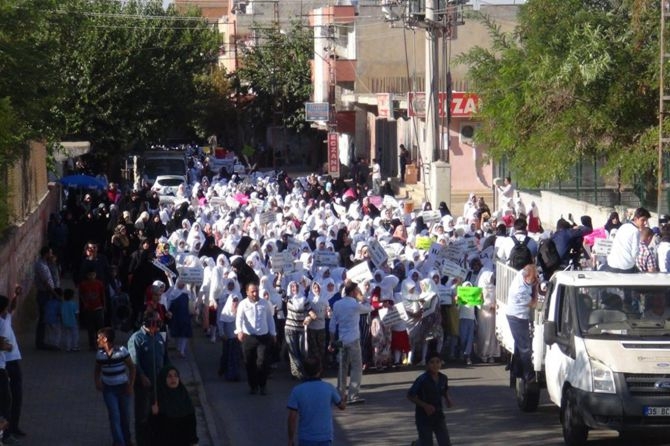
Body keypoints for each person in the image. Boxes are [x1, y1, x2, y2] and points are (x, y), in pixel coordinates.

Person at [328, 279, 371, 404]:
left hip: (341, 340)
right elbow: (370, 308)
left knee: (342, 367)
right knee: (357, 367)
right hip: (353, 339)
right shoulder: (355, 304)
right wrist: (362, 298)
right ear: (353, 292)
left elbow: (332, 325)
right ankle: (353, 395)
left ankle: (340, 394)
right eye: (357, 290)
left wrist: (331, 341)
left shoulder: (337, 304)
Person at [287, 356, 346, 446]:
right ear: (320, 370)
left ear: (304, 371)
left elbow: (292, 418)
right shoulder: (329, 387)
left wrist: (290, 439)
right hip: (325, 437)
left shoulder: (297, 390)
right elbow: (342, 406)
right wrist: (344, 398)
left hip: (306, 438)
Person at [128, 310, 166, 446]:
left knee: (157, 415)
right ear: (147, 322)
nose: (158, 324)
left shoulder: (159, 337)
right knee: (142, 416)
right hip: (144, 385)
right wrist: (142, 376)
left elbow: (165, 358)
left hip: (159, 384)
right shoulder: (136, 338)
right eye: (155, 321)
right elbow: (134, 362)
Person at [95, 327, 136, 446]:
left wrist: (130, 385)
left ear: (105, 339)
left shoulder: (122, 351)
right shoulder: (100, 355)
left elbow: (132, 368)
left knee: (125, 416)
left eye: (99, 338)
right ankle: (119, 442)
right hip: (108, 389)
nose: (97, 340)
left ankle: (127, 440)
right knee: (114, 416)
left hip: (123, 388)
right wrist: (97, 381)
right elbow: (97, 369)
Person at [235, 282, 276, 395]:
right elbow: (239, 319)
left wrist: (273, 333)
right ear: (247, 292)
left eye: (256, 291)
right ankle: (253, 386)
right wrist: (239, 331)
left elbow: (270, 319)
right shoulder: (243, 304)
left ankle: (262, 385)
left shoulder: (264, 303)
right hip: (249, 338)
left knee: (262, 362)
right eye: (252, 291)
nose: (255, 293)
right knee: (249, 363)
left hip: (263, 337)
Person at [407, 351, 454, 446]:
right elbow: (410, 395)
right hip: (423, 417)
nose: (435, 365)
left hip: (438, 415)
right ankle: (417, 444)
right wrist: (425, 405)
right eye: (432, 362)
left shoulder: (443, 378)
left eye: (438, 362)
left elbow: (444, 389)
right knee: (427, 443)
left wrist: (448, 399)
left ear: (441, 363)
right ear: (427, 364)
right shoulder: (422, 379)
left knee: (445, 443)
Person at [505, 264, 539, 384]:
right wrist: (536, 288)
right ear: (525, 277)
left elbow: (530, 268)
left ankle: (515, 370)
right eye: (532, 279)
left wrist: (535, 277)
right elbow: (534, 303)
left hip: (518, 315)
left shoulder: (522, 273)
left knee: (519, 345)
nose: (534, 281)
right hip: (517, 318)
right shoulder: (520, 290)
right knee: (525, 348)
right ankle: (528, 375)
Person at [150, 366, 198, 446]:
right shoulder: (158, 400)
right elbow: (153, 432)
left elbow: (192, 423)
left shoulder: (184, 396)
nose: (173, 379)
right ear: (163, 379)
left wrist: (194, 442)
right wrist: (155, 415)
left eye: (176, 376)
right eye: (169, 376)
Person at [4, 286, 25, 440]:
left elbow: (12, 307)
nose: (8, 309)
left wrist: (15, 295)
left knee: (16, 397)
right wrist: (8, 346)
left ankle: (14, 426)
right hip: (6, 364)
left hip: (13, 361)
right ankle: (7, 431)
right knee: (8, 399)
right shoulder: (1, 323)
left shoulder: (5, 317)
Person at [605, 207, 650, 273]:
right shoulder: (635, 231)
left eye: (646, 220)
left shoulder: (623, 226)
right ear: (635, 219)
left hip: (611, 264)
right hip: (626, 267)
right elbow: (634, 254)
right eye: (643, 220)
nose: (645, 223)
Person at [34, 246, 58, 350]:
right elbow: (46, 283)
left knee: (45, 317)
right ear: (46, 254)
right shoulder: (41, 265)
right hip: (44, 293)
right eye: (50, 253)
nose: (51, 255)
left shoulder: (45, 264)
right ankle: (40, 342)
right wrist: (55, 294)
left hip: (46, 293)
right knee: (44, 318)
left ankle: (43, 341)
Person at [79, 268, 106, 351]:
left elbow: (103, 295)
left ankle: (101, 344)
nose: (92, 276)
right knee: (91, 328)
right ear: (87, 276)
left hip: (98, 307)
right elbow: (81, 295)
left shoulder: (99, 283)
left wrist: (104, 305)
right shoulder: (83, 284)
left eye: (93, 274)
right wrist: (84, 304)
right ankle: (92, 345)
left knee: (100, 328)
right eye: (90, 275)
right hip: (88, 308)